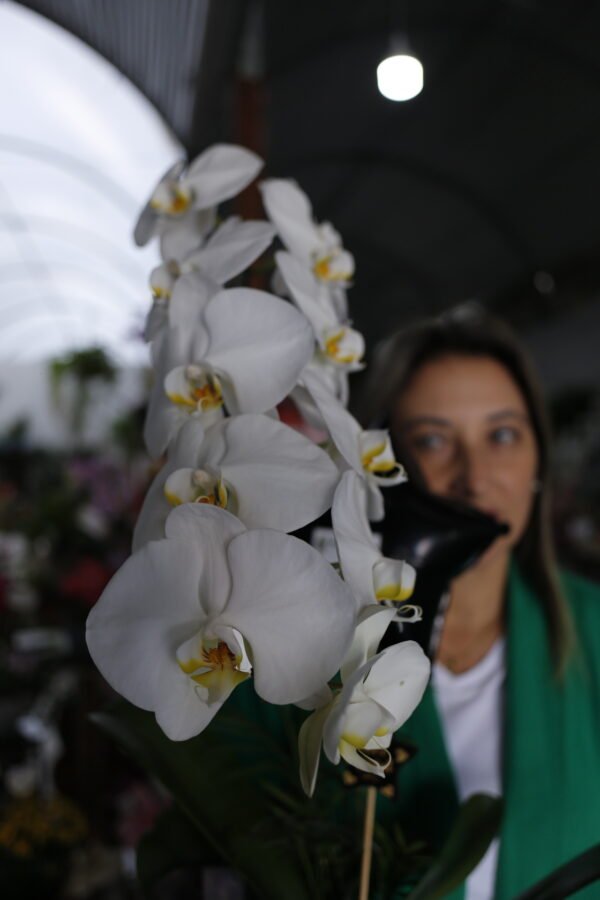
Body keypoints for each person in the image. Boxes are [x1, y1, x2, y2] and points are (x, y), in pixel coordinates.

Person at [361, 306, 600, 899]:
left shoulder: (595, 633)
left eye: (502, 435)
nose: (474, 478)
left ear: (538, 461)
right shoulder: (321, 661)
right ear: (381, 464)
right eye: (435, 440)